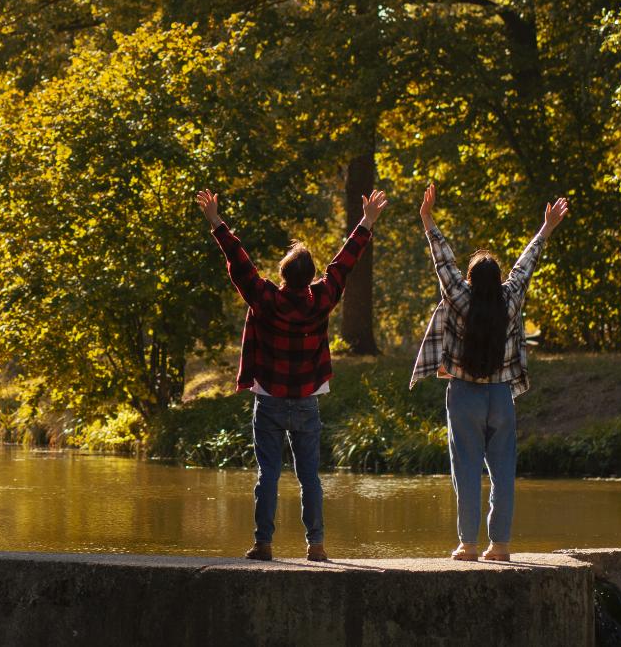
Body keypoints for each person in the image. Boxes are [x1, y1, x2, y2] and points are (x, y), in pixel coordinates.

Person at [197, 186, 387, 563]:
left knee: (267, 474)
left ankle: (263, 544)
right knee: (309, 478)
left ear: (283, 275)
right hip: (306, 400)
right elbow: (344, 263)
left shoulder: (266, 299)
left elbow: (240, 263)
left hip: (269, 399)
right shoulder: (322, 299)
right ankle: (315, 545)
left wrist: (217, 221)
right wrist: (366, 222)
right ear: (310, 276)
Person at [409, 181, 568, 562]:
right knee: (502, 472)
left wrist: (428, 218)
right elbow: (526, 265)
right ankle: (500, 546)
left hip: (463, 394)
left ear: (470, 280)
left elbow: (443, 263)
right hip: (501, 396)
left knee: (465, 470)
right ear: (497, 280)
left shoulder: (459, 299)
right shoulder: (510, 298)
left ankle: (468, 544)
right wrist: (546, 227)